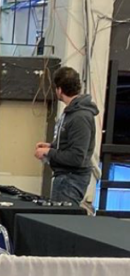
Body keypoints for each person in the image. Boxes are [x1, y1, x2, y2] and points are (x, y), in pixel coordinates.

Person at [34, 66, 99, 205]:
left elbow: (77, 157)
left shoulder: (80, 117)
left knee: (59, 217)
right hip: (65, 178)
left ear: (59, 89)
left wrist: (49, 152)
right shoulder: (72, 113)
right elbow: (71, 145)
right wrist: (51, 146)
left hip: (70, 181)